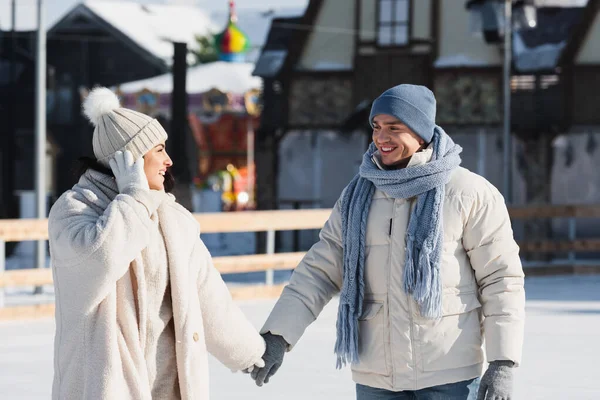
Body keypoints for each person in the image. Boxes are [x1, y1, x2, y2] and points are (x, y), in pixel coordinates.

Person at [250, 84, 525, 400]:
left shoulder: (469, 193)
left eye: (394, 128)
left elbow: (501, 280)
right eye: (377, 127)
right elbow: (319, 272)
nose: (381, 137)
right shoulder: (357, 197)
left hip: (450, 376)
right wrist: (277, 335)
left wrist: (503, 360)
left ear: (421, 133)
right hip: (378, 379)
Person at [48, 87, 265, 400]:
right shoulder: (75, 209)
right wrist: (134, 198)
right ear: (131, 160)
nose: (169, 160)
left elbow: (208, 297)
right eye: (159, 150)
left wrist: (250, 353)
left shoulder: (174, 219)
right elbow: (100, 260)